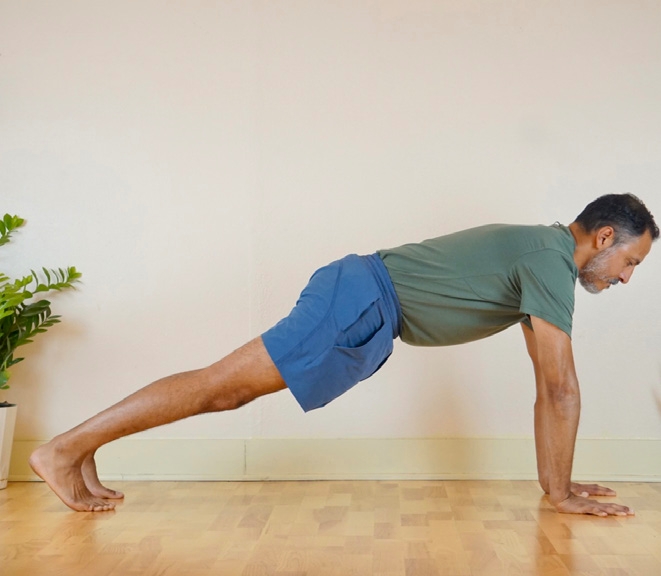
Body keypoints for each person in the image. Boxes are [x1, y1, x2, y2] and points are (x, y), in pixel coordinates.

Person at [29, 193, 658, 515]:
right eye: (629, 261)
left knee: (223, 387)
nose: (626, 278)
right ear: (604, 236)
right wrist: (562, 496)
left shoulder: (541, 254)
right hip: (363, 297)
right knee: (223, 387)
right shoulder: (549, 260)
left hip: (362, 296)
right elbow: (561, 389)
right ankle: (61, 450)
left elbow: (548, 384)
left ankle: (79, 449)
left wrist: (557, 485)